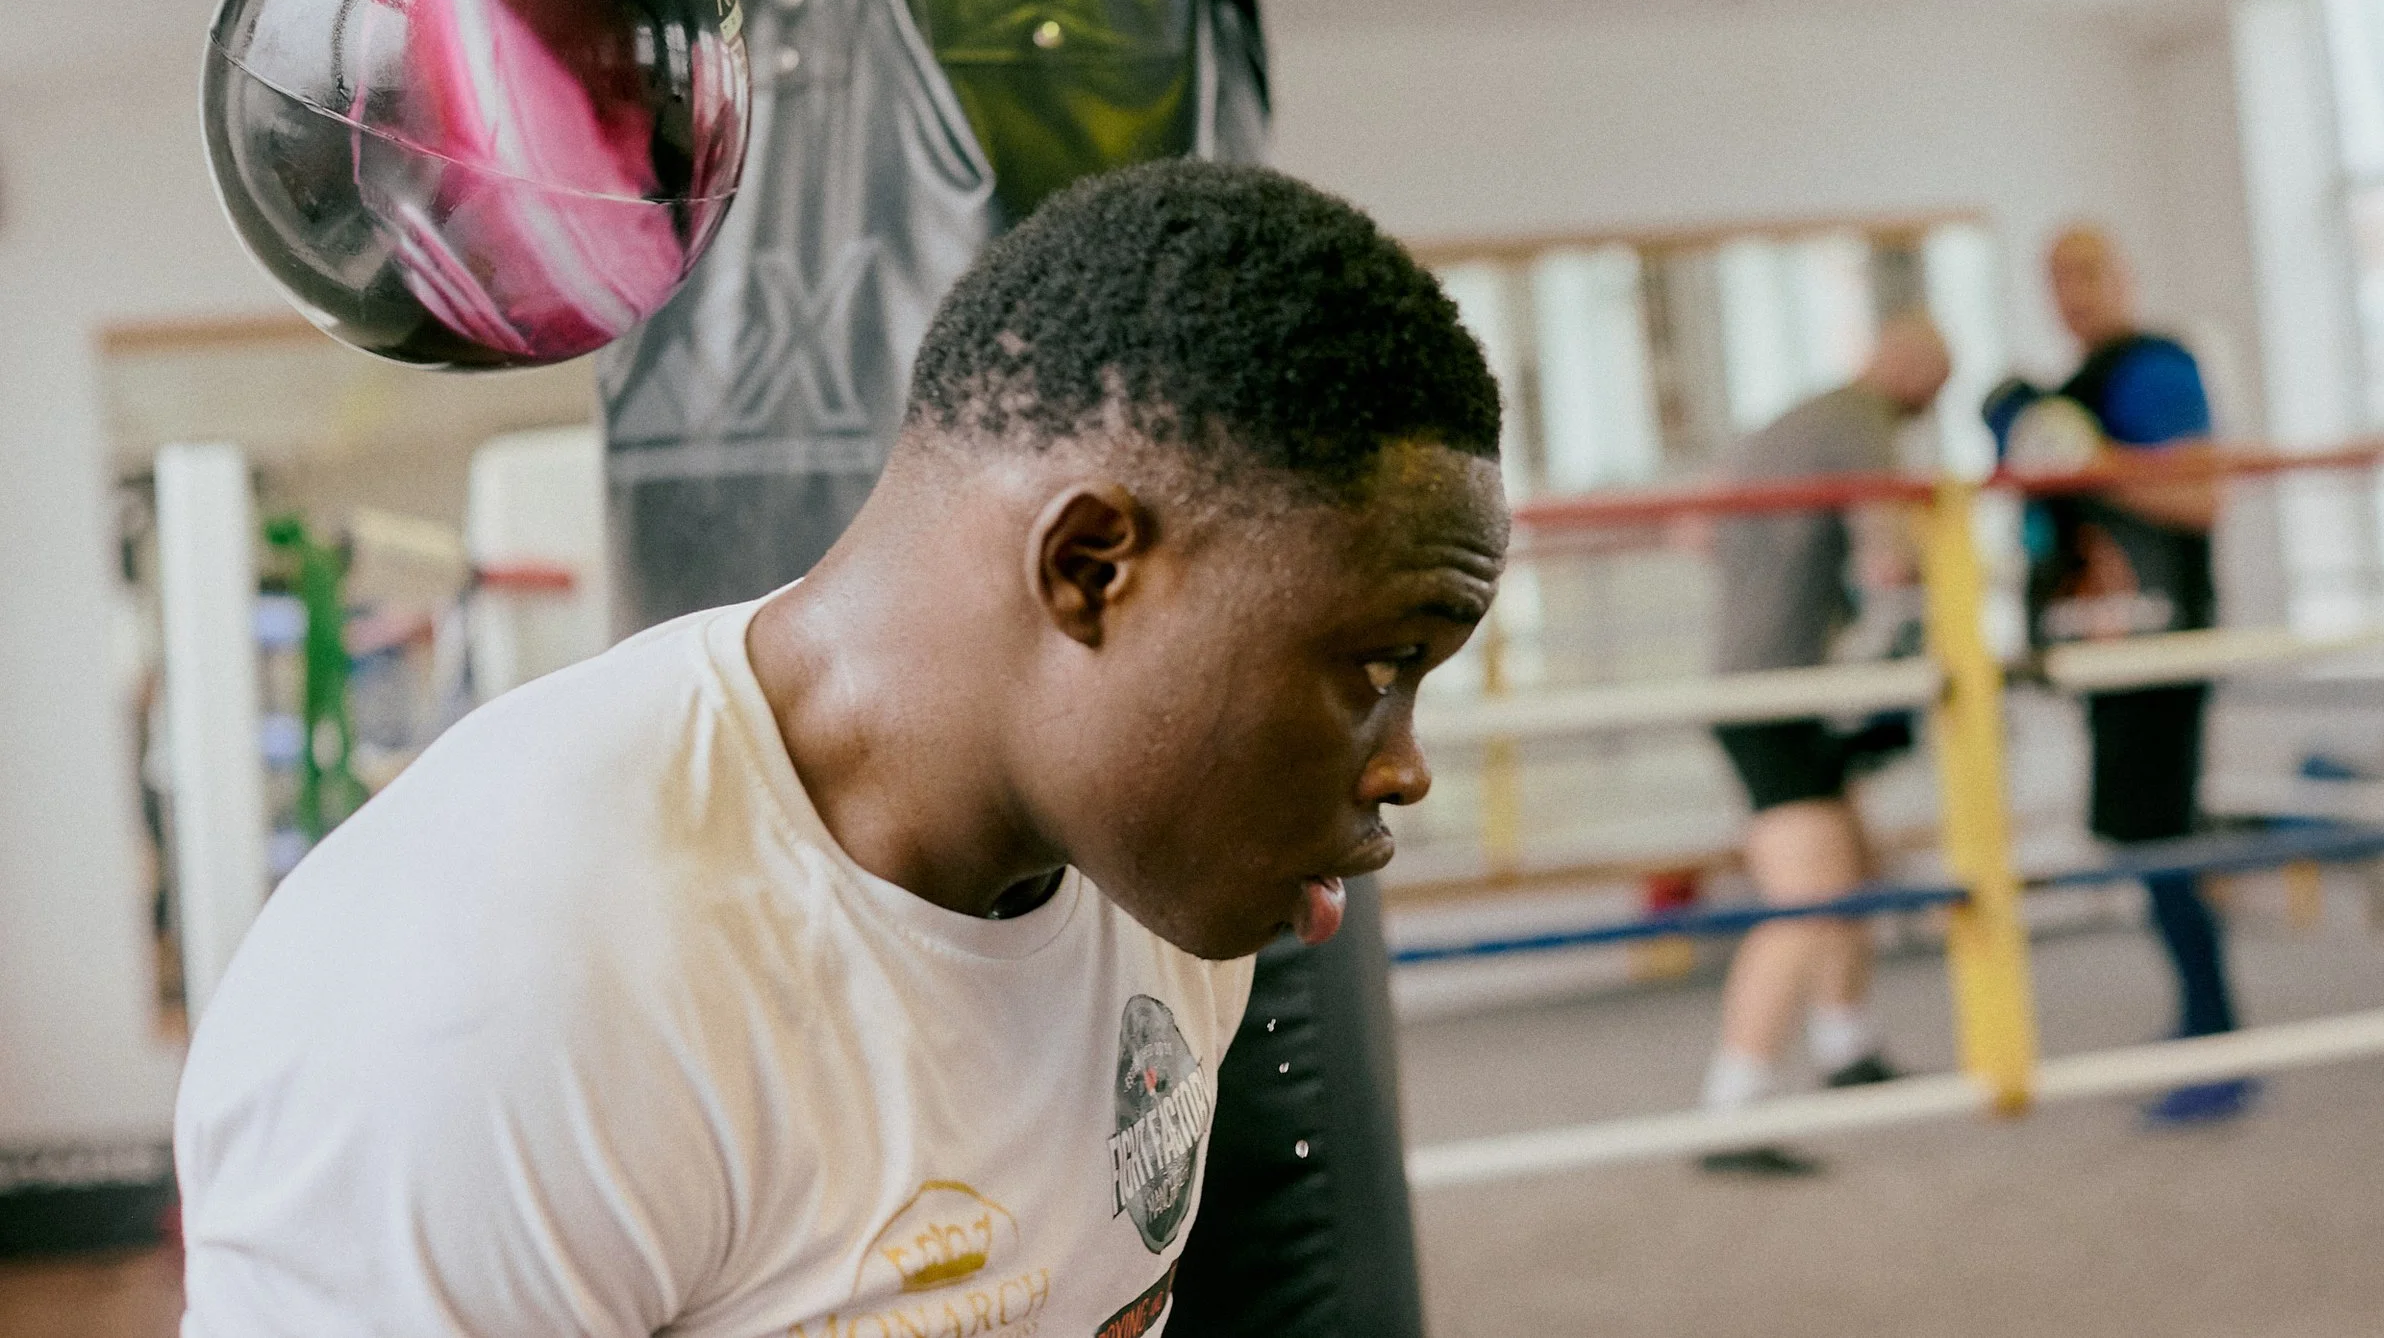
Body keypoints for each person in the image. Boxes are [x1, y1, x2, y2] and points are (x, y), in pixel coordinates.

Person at [175, 161, 1510, 1336]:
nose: (1405, 767)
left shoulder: (1151, 886)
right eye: (1375, 669)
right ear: (1092, 566)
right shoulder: (507, 989)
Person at [1696, 314, 1953, 1176]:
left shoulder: (1800, 418)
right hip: (1770, 693)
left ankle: (1846, 1045)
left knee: (1851, 862)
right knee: (1805, 897)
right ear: (1912, 375)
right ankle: (1730, 1109)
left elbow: (1695, 534)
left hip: (1785, 684)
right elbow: (1891, 556)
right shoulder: (1862, 423)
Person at [2034, 221, 2250, 1126]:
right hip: (2114, 640)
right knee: (2145, 835)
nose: (2073, 291)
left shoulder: (2156, 369)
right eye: (2056, 277)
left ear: (2125, 275)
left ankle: (2220, 1040)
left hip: (2162, 641)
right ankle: (2206, 1023)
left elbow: (2201, 497)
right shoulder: (2085, 382)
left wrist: (2091, 464)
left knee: (2160, 836)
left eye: (2088, 272)